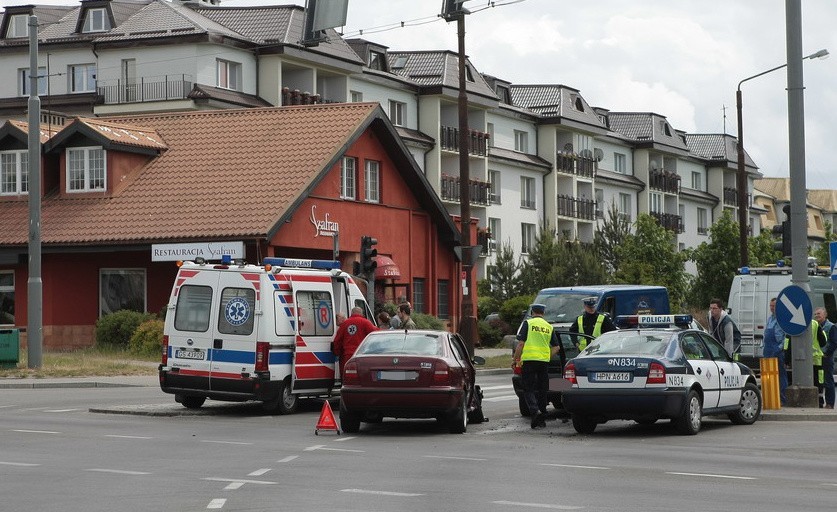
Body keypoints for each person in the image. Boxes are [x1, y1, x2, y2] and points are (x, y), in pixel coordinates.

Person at [513, 303, 562, 429]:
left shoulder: (528, 324)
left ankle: (535, 411)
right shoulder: (548, 326)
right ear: (543, 313)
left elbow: (520, 344)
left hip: (529, 360)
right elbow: (557, 347)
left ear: (532, 312)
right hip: (543, 362)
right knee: (542, 389)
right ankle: (541, 417)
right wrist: (546, 356)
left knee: (528, 388)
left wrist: (516, 359)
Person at [784, 317, 827, 407]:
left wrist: (787, 360)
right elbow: (823, 341)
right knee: (818, 382)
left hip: (798, 361)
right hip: (816, 360)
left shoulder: (793, 324)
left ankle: (799, 402)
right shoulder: (815, 324)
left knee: (798, 382)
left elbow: (787, 343)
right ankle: (820, 402)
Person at [332, 307, 377, 380]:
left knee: (347, 376)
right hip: (362, 354)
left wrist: (337, 352)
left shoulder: (344, 324)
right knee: (361, 376)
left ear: (352, 313)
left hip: (347, 356)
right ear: (361, 313)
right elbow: (375, 335)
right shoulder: (366, 322)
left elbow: (337, 340)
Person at [762, 298, 789, 405]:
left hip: (778, 351)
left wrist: (780, 348)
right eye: (771, 306)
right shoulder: (770, 319)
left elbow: (786, 337)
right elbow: (766, 334)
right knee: (768, 376)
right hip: (767, 350)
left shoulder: (782, 319)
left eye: (774, 306)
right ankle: (770, 400)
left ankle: (782, 399)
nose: (772, 308)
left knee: (781, 376)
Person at [814, 308, 835, 408]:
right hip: (817, 358)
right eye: (815, 314)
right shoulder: (815, 326)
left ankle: (830, 403)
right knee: (819, 381)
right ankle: (820, 403)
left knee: (828, 381)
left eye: (819, 313)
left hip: (826, 358)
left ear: (825, 315)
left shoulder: (831, 326)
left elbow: (834, 342)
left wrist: (827, 352)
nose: (817, 315)